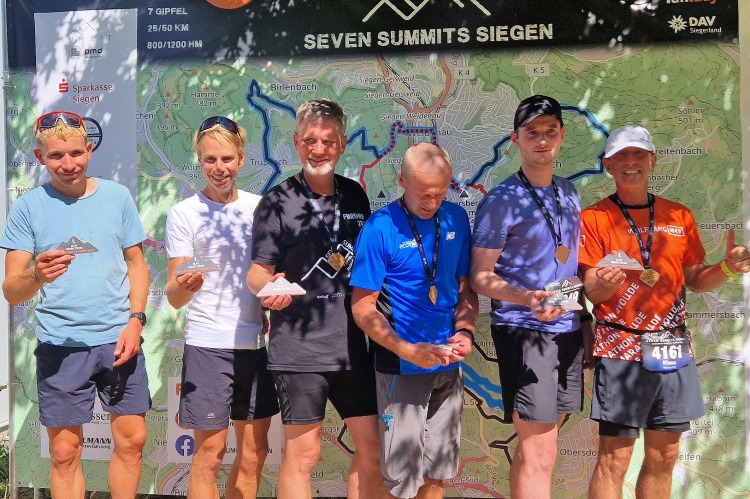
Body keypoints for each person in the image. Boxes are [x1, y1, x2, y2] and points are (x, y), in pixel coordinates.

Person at [579, 124, 750, 499]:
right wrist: (607, 283)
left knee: (664, 455)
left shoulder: (679, 215)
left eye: (639, 153)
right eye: (621, 155)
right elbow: (590, 287)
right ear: (608, 165)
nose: (631, 161)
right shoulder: (594, 217)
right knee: (614, 459)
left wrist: (727, 268)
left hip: (671, 347)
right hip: (620, 347)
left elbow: (695, 280)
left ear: (653, 160)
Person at [0, 110, 150, 498]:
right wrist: (37, 275)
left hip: (119, 340)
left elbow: (137, 264)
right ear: (39, 156)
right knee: (65, 453)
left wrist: (136, 321)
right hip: (61, 346)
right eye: (56, 156)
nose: (68, 164)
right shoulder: (27, 207)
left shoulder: (118, 196)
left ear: (89, 149)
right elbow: (11, 290)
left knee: (132, 442)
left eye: (75, 153)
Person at [246, 98, 383, 499]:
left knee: (373, 450)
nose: (318, 149)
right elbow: (257, 272)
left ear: (341, 144)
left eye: (327, 141)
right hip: (299, 353)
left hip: (353, 349)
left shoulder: (355, 195)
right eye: (309, 140)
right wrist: (269, 289)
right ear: (296, 141)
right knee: (303, 456)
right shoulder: (277, 201)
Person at [469, 95, 590, 499]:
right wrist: (526, 298)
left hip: (567, 328)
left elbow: (569, 265)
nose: (542, 140)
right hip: (525, 332)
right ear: (515, 139)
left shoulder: (569, 192)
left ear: (562, 136)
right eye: (532, 132)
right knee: (541, 452)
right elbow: (480, 277)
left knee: (538, 448)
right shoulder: (500, 201)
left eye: (550, 131)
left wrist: (584, 318)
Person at [350, 142, 478, 499]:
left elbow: (465, 289)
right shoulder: (380, 227)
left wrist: (465, 331)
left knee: (437, 475)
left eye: (439, 193)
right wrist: (407, 350)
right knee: (401, 481)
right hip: (401, 367)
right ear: (402, 180)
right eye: (423, 194)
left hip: (448, 364)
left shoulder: (455, 218)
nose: (431, 203)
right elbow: (362, 308)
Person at [165, 116, 279, 499]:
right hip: (207, 346)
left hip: (254, 346)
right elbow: (174, 296)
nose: (219, 168)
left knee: (255, 453)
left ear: (241, 159)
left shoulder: (260, 208)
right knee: (210, 455)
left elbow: (269, 274)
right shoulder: (184, 213)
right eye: (210, 159)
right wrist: (185, 285)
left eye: (227, 159)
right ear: (199, 161)